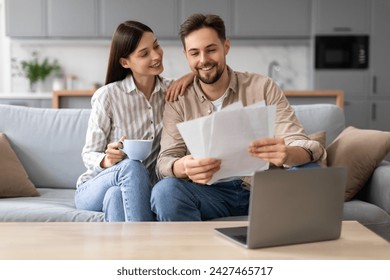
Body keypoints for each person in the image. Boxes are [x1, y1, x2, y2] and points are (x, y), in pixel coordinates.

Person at [151, 14, 326, 221]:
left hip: (264, 190)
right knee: (165, 191)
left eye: (211, 50)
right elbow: (165, 161)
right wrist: (183, 167)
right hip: (209, 194)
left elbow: (299, 141)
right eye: (194, 53)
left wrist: (287, 153)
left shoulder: (262, 87)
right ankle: (194, 253)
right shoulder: (178, 100)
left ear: (226, 47)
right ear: (186, 55)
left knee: (310, 173)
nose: (203, 60)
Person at [75, 21, 193, 222]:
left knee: (115, 196)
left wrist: (192, 75)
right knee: (132, 166)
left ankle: (127, 252)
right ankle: (147, 248)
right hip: (95, 186)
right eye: (144, 53)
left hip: (138, 189)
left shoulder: (173, 92)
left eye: (156, 46)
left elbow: (212, 72)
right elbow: (88, 153)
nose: (156, 56)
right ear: (125, 62)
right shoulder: (108, 96)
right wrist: (107, 159)